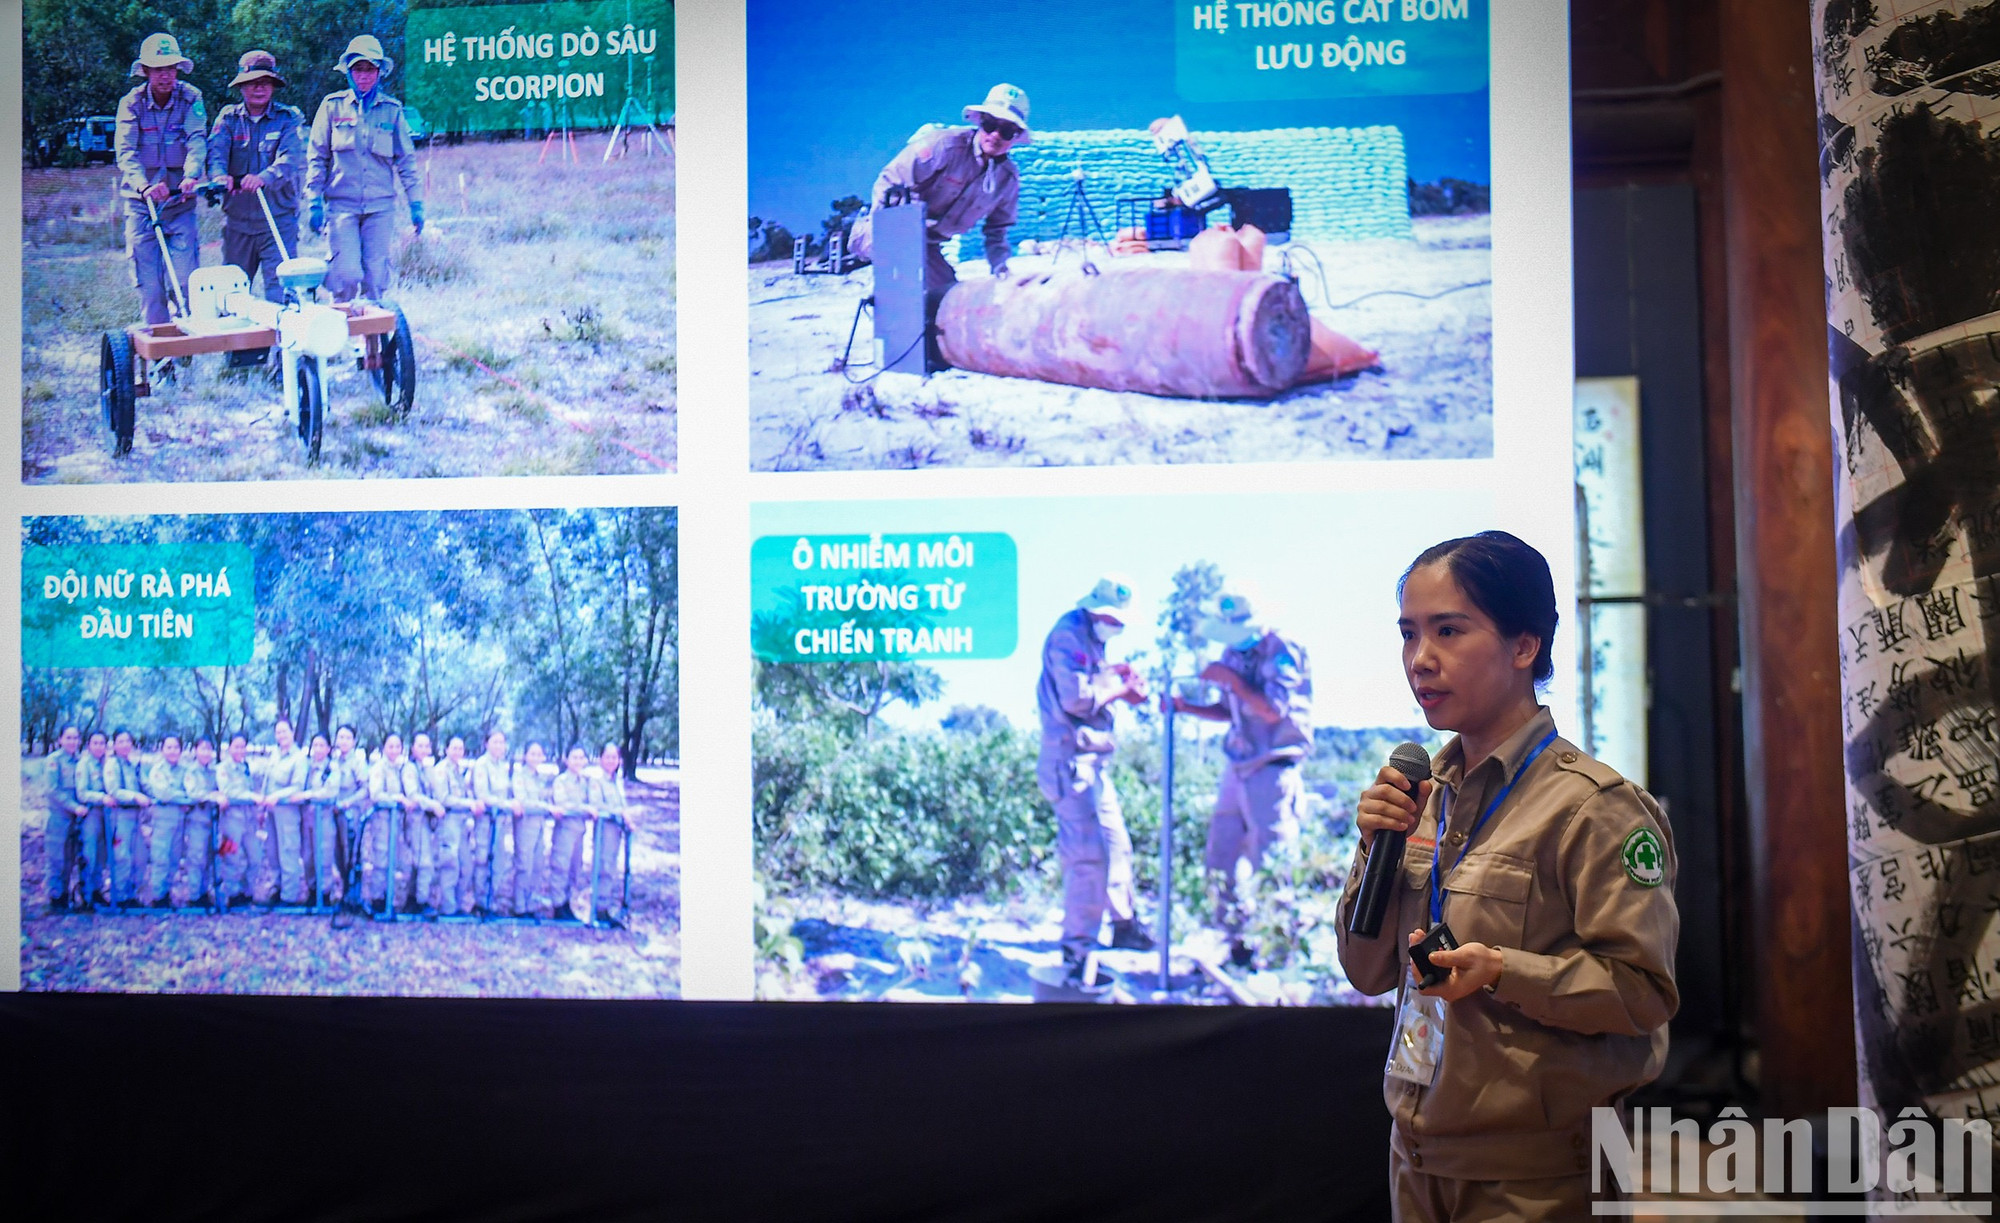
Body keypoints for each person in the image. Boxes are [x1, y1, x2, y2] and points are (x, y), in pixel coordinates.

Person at [1334, 531, 1679, 1222]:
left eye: (1448, 630)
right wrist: (1374, 849)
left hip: (1539, 1178)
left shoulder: (1594, 807)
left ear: (1524, 647)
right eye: (1408, 634)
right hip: (1416, 1158)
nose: (1419, 660)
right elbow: (1367, 970)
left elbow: (1642, 994)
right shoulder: (1419, 793)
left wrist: (1499, 969)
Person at [1164, 586, 1314, 967]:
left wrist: (1232, 680)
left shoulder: (1282, 650)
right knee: (1221, 855)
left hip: (1273, 770)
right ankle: (1239, 943)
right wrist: (1185, 707)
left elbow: (1271, 711)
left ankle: (1278, 950)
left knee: (1271, 862)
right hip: (1238, 767)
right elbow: (1229, 710)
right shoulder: (1233, 653)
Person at [1037, 574, 1153, 984]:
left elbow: (1096, 681)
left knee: (1117, 847)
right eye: (1112, 618)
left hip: (1093, 763)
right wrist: (1119, 688)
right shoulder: (1069, 635)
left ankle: (1124, 926)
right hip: (1070, 763)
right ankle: (1077, 949)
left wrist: (1116, 676)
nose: (1117, 626)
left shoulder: (1093, 640)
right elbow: (1077, 698)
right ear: (1093, 609)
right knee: (1088, 859)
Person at [846, 83, 1029, 292]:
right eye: (990, 125)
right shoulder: (944, 145)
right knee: (904, 292)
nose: (996, 135)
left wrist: (1000, 267)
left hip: (927, 246)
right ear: (980, 122)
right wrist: (889, 237)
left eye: (1006, 131)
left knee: (946, 299)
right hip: (888, 230)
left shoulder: (1007, 180)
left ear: (1015, 137)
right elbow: (890, 181)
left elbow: (997, 230)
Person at [305, 34, 423, 303]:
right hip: (341, 207)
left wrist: (416, 203)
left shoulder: (392, 110)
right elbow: (317, 156)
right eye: (358, 69)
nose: (364, 76)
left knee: (375, 280)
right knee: (345, 276)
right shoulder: (332, 106)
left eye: (370, 69)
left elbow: (406, 161)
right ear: (348, 71)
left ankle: (373, 345)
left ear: (380, 72)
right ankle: (341, 342)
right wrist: (313, 199)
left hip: (380, 208)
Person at [205, 50, 306, 319]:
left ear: (273, 86)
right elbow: (216, 155)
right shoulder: (228, 119)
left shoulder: (289, 118)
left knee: (281, 292)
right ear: (241, 87)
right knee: (234, 293)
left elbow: (290, 157)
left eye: (265, 82)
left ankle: (284, 358)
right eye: (252, 82)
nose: (259, 88)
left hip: (277, 221)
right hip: (237, 222)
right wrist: (219, 176)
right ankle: (239, 356)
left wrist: (264, 178)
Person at [115, 33, 206, 326]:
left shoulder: (192, 97)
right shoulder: (131, 103)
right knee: (151, 288)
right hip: (142, 207)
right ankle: (161, 361)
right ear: (146, 71)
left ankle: (187, 346)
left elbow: (196, 140)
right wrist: (144, 187)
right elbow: (126, 151)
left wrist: (192, 175)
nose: (165, 75)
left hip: (180, 204)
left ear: (178, 69)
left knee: (186, 283)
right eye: (158, 68)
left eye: (170, 68)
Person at [365, 734, 423, 912]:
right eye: (391, 746)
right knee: (381, 859)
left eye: (398, 747)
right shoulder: (378, 768)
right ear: (384, 748)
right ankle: (377, 899)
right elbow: (376, 794)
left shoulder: (400, 768)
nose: (394, 750)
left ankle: (390, 897)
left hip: (397, 822)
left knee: (394, 860)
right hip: (382, 821)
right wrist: (398, 798)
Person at [257, 719, 310, 904]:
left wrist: (277, 796)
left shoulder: (299, 758)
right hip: (271, 811)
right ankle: (276, 888)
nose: (281, 736)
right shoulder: (275, 754)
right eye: (278, 732)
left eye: (284, 732)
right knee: (272, 851)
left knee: (288, 851)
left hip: (288, 812)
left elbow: (297, 786)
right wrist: (262, 807)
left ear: (292, 732)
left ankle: (289, 895)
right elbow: (266, 782)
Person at [547, 746, 599, 922]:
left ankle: (567, 903)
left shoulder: (586, 782)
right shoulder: (560, 781)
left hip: (580, 832)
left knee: (574, 869)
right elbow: (563, 804)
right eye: (574, 758)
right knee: (560, 866)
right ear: (566, 760)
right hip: (564, 831)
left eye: (581, 758)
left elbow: (594, 803)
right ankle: (558, 905)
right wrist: (585, 808)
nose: (578, 761)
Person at [469, 730, 518, 914]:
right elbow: (482, 794)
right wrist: (506, 804)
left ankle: (491, 899)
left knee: (498, 860)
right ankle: (480, 902)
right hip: (485, 822)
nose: (499, 746)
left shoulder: (501, 766)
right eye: (495, 742)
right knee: (483, 859)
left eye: (502, 742)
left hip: (500, 822)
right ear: (486, 743)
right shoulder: (482, 765)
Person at [41, 727, 89, 912]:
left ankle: (65, 896)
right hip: (59, 818)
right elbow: (52, 790)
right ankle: (55, 898)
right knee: (56, 859)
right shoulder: (54, 761)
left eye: (76, 738)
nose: (72, 741)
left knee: (70, 858)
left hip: (76, 820)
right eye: (68, 737)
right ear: (60, 739)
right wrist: (74, 807)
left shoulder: (80, 762)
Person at [103, 729, 153, 908]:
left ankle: (132, 894)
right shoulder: (112, 764)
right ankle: (120, 897)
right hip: (120, 817)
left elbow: (146, 785)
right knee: (122, 857)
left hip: (136, 817)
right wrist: (134, 796)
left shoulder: (133, 765)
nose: (125, 745)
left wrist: (159, 796)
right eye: (121, 741)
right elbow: (114, 790)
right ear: (114, 744)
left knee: (140, 856)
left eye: (128, 741)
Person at [142, 734, 193, 907]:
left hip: (180, 821)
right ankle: (158, 896)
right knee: (160, 857)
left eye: (176, 747)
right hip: (163, 820)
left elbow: (192, 790)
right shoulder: (157, 770)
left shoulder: (185, 770)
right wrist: (183, 798)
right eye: (168, 747)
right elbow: (163, 793)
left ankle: (167, 892)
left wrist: (181, 797)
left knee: (174, 857)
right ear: (162, 750)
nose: (172, 751)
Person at [586, 743, 632, 923]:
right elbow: (597, 804)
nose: (612, 760)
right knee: (603, 867)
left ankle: (604, 906)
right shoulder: (597, 780)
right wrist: (620, 813)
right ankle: (598, 908)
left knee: (611, 868)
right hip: (605, 829)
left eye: (615, 757)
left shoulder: (617, 780)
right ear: (600, 759)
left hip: (617, 831)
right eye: (608, 757)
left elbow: (622, 804)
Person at [435, 736, 480, 917]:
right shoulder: (441, 770)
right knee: (450, 865)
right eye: (454, 748)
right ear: (446, 750)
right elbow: (443, 798)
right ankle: (448, 907)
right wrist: (468, 803)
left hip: (461, 824)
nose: (457, 752)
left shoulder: (459, 771)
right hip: (447, 823)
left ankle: (458, 904)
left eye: (460, 749)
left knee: (466, 866)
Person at [215, 734, 262, 907]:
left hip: (249, 820)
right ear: (229, 748)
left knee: (256, 857)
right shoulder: (222, 769)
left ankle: (247, 892)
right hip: (232, 821)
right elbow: (227, 791)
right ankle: (232, 895)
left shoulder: (245, 767)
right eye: (236, 746)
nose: (240, 750)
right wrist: (251, 796)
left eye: (243, 747)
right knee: (231, 859)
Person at [410, 733, 453, 915]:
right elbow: (414, 794)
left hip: (426, 821)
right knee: (424, 862)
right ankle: (420, 901)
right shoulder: (409, 769)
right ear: (412, 748)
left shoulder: (427, 769)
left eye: (427, 746)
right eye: (420, 746)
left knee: (421, 861)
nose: (424, 750)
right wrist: (433, 805)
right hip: (415, 820)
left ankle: (415, 898)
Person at [510, 742, 555, 917]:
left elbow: (548, 799)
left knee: (537, 865)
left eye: (539, 754)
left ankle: (531, 903)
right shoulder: (519, 776)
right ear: (525, 756)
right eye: (532, 754)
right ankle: (520, 906)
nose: (536, 758)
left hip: (539, 826)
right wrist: (546, 807)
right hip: (525, 825)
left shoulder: (541, 778)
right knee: (524, 865)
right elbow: (523, 800)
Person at [298, 733, 342, 906]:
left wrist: (308, 795)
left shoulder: (332, 768)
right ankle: (312, 890)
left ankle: (324, 893)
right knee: (308, 856)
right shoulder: (306, 767)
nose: (318, 749)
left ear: (328, 749)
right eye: (315, 745)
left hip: (323, 817)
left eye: (322, 745)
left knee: (323, 855)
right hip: (306, 817)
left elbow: (329, 792)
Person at [182, 738, 225, 905]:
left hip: (212, 822)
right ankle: (194, 895)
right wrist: (211, 796)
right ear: (195, 751)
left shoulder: (213, 771)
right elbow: (193, 793)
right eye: (202, 749)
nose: (206, 752)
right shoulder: (191, 772)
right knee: (196, 858)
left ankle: (204, 892)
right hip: (197, 821)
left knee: (209, 858)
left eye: (209, 749)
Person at [74, 731, 113, 909]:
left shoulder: (106, 763)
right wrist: (101, 797)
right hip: (91, 814)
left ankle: (97, 891)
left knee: (101, 855)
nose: (99, 746)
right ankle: (86, 896)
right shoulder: (84, 764)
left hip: (106, 815)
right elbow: (82, 793)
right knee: (89, 854)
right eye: (95, 743)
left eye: (102, 743)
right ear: (89, 745)